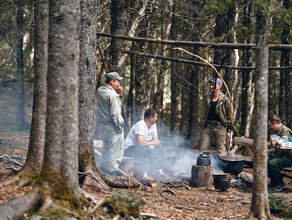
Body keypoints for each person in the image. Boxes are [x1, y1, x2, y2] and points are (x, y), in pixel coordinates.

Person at [96, 72, 124, 176]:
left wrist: (117, 93)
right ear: (112, 81)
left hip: (103, 127)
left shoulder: (100, 90)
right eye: (117, 81)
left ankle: (104, 171)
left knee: (106, 150)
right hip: (113, 126)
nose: (119, 83)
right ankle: (111, 173)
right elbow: (115, 113)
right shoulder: (112, 95)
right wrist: (120, 127)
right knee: (115, 151)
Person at [124, 108, 165, 179]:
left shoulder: (153, 125)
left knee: (160, 148)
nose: (157, 118)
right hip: (130, 148)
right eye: (155, 117)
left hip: (144, 146)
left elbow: (156, 139)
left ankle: (160, 171)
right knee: (144, 150)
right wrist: (151, 143)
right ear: (150, 118)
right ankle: (144, 174)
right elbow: (140, 142)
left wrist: (152, 144)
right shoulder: (140, 125)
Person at [199, 78, 232, 157]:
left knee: (221, 152)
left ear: (219, 86)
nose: (211, 87)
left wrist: (229, 131)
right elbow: (204, 112)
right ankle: (203, 167)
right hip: (209, 126)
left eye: (213, 85)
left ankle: (221, 168)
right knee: (202, 150)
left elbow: (229, 116)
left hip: (220, 126)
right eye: (211, 84)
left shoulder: (225, 100)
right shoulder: (207, 97)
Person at [268, 115, 292, 191]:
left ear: (274, 123)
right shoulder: (277, 132)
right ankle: (273, 180)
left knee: (272, 163)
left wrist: (270, 151)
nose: (270, 127)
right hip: (280, 155)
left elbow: (284, 147)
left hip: (288, 157)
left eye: (270, 125)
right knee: (265, 160)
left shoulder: (285, 132)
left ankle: (280, 182)